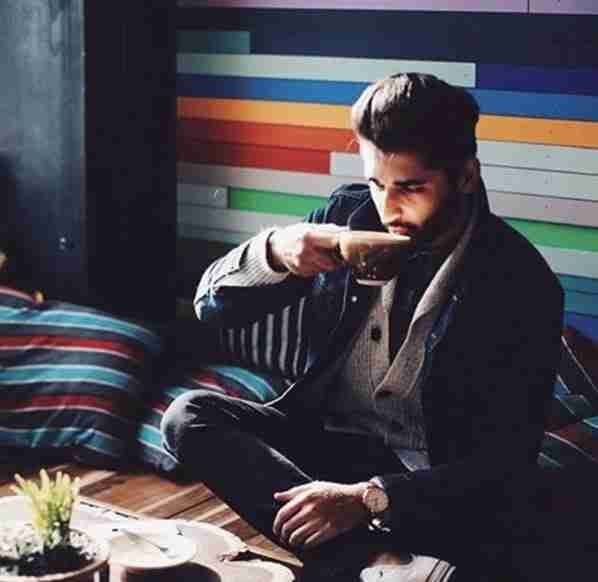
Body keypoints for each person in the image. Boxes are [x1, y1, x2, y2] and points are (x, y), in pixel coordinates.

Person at [161, 73, 573, 581]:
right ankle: (377, 563)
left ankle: (370, 558)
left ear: (466, 176)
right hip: (324, 448)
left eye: (411, 187)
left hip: (431, 488)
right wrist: (276, 252)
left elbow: (505, 466)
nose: (388, 208)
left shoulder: (521, 283)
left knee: (525, 527)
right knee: (188, 416)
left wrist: (370, 498)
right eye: (378, 184)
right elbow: (211, 307)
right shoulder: (346, 216)